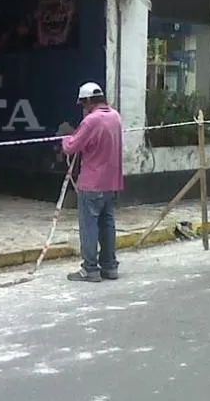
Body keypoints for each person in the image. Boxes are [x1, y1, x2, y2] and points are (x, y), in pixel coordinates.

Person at [62, 82, 123, 283]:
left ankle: (90, 268)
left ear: (88, 101)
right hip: (112, 182)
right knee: (108, 224)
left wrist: (65, 139)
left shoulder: (91, 121)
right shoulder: (115, 117)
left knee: (89, 226)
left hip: (92, 183)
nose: (83, 108)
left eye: (83, 103)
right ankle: (110, 266)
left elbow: (71, 147)